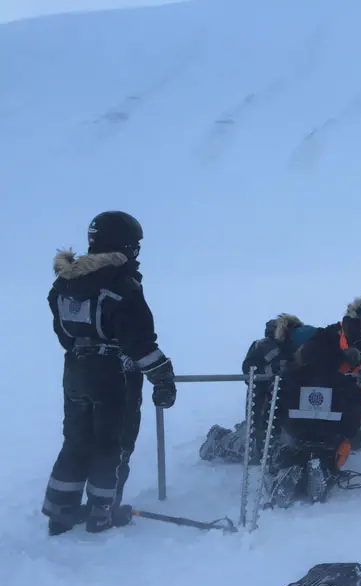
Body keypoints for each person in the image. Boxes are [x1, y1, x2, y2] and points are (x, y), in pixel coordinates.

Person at [41, 211, 176, 536]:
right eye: (136, 246)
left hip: (75, 369)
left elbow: (64, 334)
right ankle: (103, 513)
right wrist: (163, 377)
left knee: (75, 440)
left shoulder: (64, 283)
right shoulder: (121, 285)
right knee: (112, 445)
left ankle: (61, 512)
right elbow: (139, 342)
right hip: (113, 375)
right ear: (125, 245)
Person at [262, 326, 361, 507]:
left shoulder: (287, 379)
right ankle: (323, 471)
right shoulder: (346, 383)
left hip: (296, 436)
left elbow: (272, 416)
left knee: (287, 450)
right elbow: (353, 424)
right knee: (330, 454)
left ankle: (286, 471)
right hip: (329, 440)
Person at [199, 313, 317, 463]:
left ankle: (245, 431)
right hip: (263, 407)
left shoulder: (298, 348)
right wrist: (287, 368)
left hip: (286, 410)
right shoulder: (264, 346)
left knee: (286, 450)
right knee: (258, 453)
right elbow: (252, 369)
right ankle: (219, 439)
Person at [296, 296, 361, 449]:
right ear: (358, 318)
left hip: (353, 401)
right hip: (319, 393)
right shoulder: (334, 332)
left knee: (354, 444)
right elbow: (308, 354)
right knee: (307, 436)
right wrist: (341, 354)